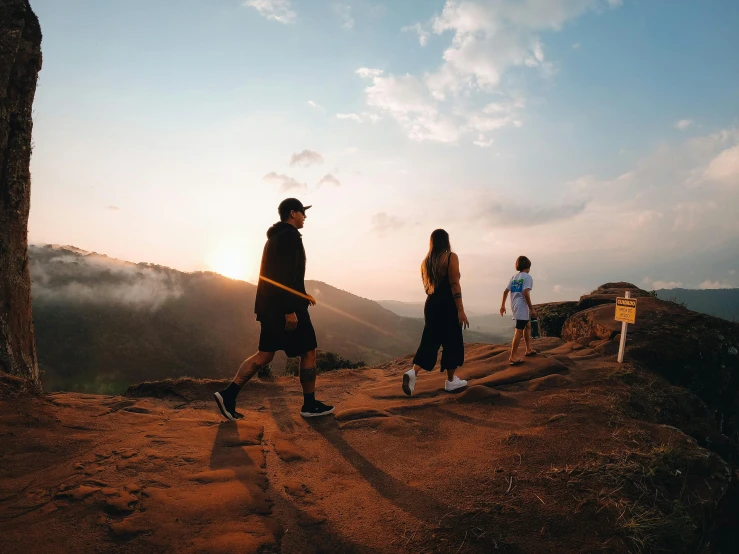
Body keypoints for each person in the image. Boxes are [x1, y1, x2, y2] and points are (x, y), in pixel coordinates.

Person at [214, 198, 334, 421]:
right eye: (302, 212)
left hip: (270, 306)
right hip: (284, 307)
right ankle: (309, 405)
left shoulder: (276, 238)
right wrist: (290, 308)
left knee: (265, 355)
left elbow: (282, 274)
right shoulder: (289, 237)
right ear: (292, 213)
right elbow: (283, 274)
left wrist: (303, 294)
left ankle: (228, 395)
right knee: (309, 350)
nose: (305, 217)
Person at [402, 229, 469, 396]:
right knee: (452, 340)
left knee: (430, 341)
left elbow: (427, 288)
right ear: (446, 241)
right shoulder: (450, 257)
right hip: (447, 304)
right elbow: (454, 284)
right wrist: (460, 310)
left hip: (431, 304)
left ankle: (413, 373)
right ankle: (451, 381)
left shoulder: (426, 262)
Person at [500, 255, 537, 365]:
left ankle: (528, 349)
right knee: (519, 330)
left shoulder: (514, 277)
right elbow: (525, 292)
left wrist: (502, 306)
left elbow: (505, 292)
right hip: (522, 306)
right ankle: (512, 356)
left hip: (515, 305)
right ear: (528, 266)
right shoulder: (527, 277)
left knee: (527, 326)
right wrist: (531, 309)